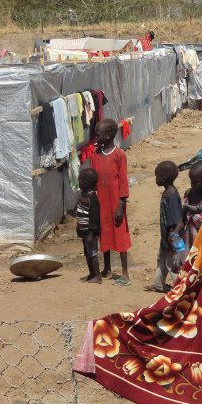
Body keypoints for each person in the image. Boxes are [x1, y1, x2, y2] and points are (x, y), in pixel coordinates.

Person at [90, 119, 132, 286]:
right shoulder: (96, 155)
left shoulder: (119, 155)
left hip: (115, 202)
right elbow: (93, 178)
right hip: (101, 201)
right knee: (104, 233)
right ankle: (107, 268)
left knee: (120, 235)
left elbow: (123, 181)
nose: (96, 136)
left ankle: (125, 273)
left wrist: (121, 205)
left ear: (107, 136)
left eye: (98, 134)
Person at [151, 161, 182, 293]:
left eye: (156, 176)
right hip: (167, 237)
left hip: (174, 237)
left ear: (163, 178)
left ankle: (181, 287)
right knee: (162, 260)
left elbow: (174, 221)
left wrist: (171, 240)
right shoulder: (168, 193)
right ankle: (158, 285)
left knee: (174, 263)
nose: (155, 178)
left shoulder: (172, 195)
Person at [180, 161, 202, 251]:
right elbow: (182, 218)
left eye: (196, 182)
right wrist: (175, 233)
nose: (192, 184)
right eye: (191, 181)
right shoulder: (189, 193)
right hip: (188, 243)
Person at [76, 168, 101, 284]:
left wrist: (91, 233)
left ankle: (98, 276)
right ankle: (91, 274)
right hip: (84, 231)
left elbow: (94, 218)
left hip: (90, 232)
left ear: (85, 183)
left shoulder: (92, 198)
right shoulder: (84, 195)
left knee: (92, 254)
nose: (78, 182)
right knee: (87, 253)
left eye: (79, 180)